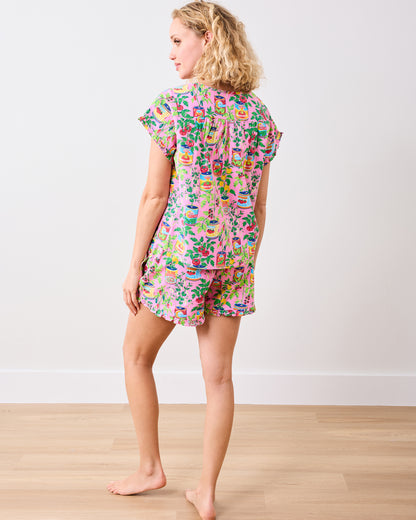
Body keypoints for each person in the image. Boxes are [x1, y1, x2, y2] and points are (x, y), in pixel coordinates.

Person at [106, 1, 283, 519]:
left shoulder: (174, 108)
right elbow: (259, 206)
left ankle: (150, 468)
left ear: (207, 39)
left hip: (179, 258)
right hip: (234, 259)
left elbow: (155, 197)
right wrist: (244, 262)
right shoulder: (259, 116)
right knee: (220, 378)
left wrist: (135, 265)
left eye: (177, 40)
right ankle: (205, 492)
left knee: (136, 356)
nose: (171, 52)